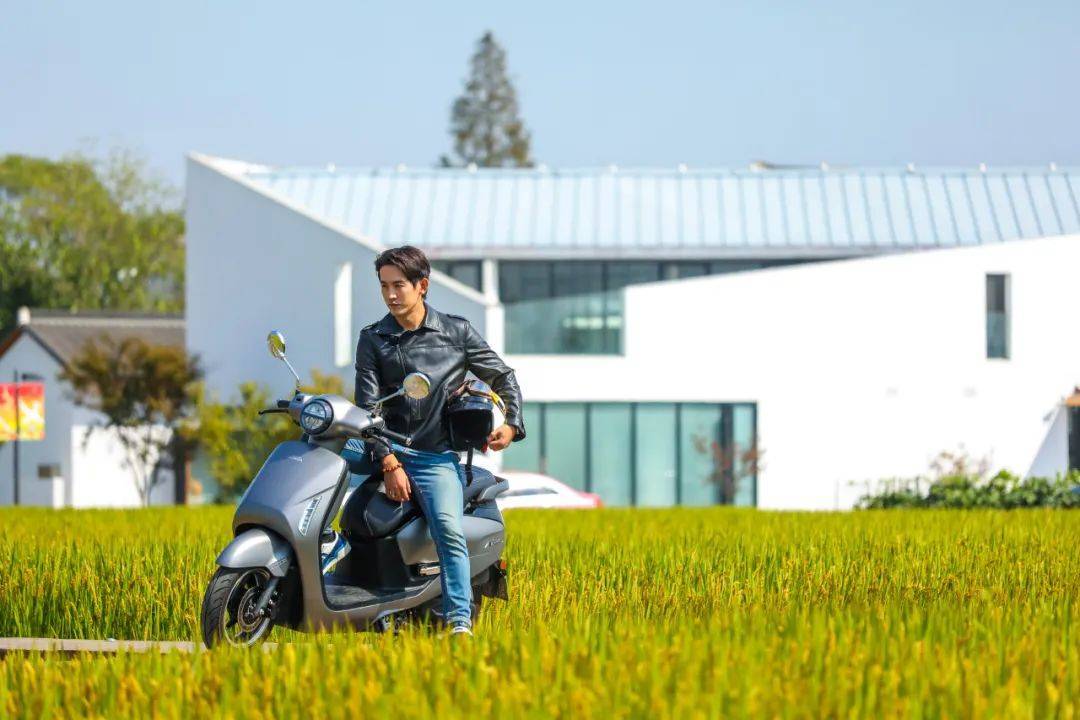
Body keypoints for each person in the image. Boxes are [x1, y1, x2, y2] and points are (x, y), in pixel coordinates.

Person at [348, 245, 525, 637]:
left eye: (398, 285)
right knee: (319, 451)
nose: (390, 294)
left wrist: (512, 423)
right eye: (384, 286)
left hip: (432, 456)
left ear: (422, 285)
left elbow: (502, 376)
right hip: (379, 446)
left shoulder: (456, 332)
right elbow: (367, 408)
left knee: (447, 528)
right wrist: (388, 460)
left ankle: (459, 620)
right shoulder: (373, 338)